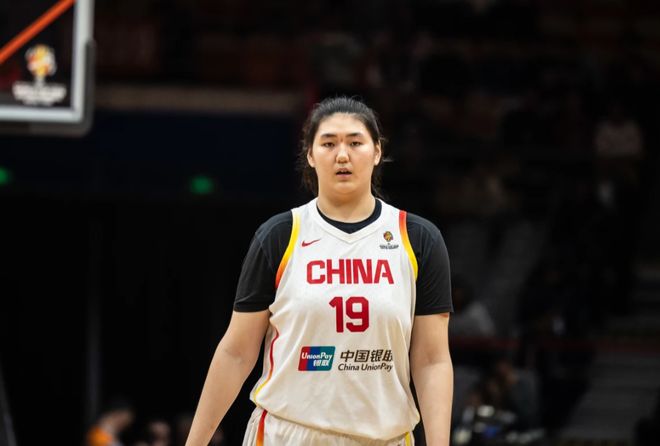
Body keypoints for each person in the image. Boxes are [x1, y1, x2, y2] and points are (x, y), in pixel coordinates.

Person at [185, 97, 453, 445]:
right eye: (328, 143)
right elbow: (236, 352)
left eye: (355, 143)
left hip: (385, 437)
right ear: (310, 155)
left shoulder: (417, 238)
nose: (342, 155)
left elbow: (432, 359)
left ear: (377, 151)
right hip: (287, 433)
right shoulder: (280, 235)